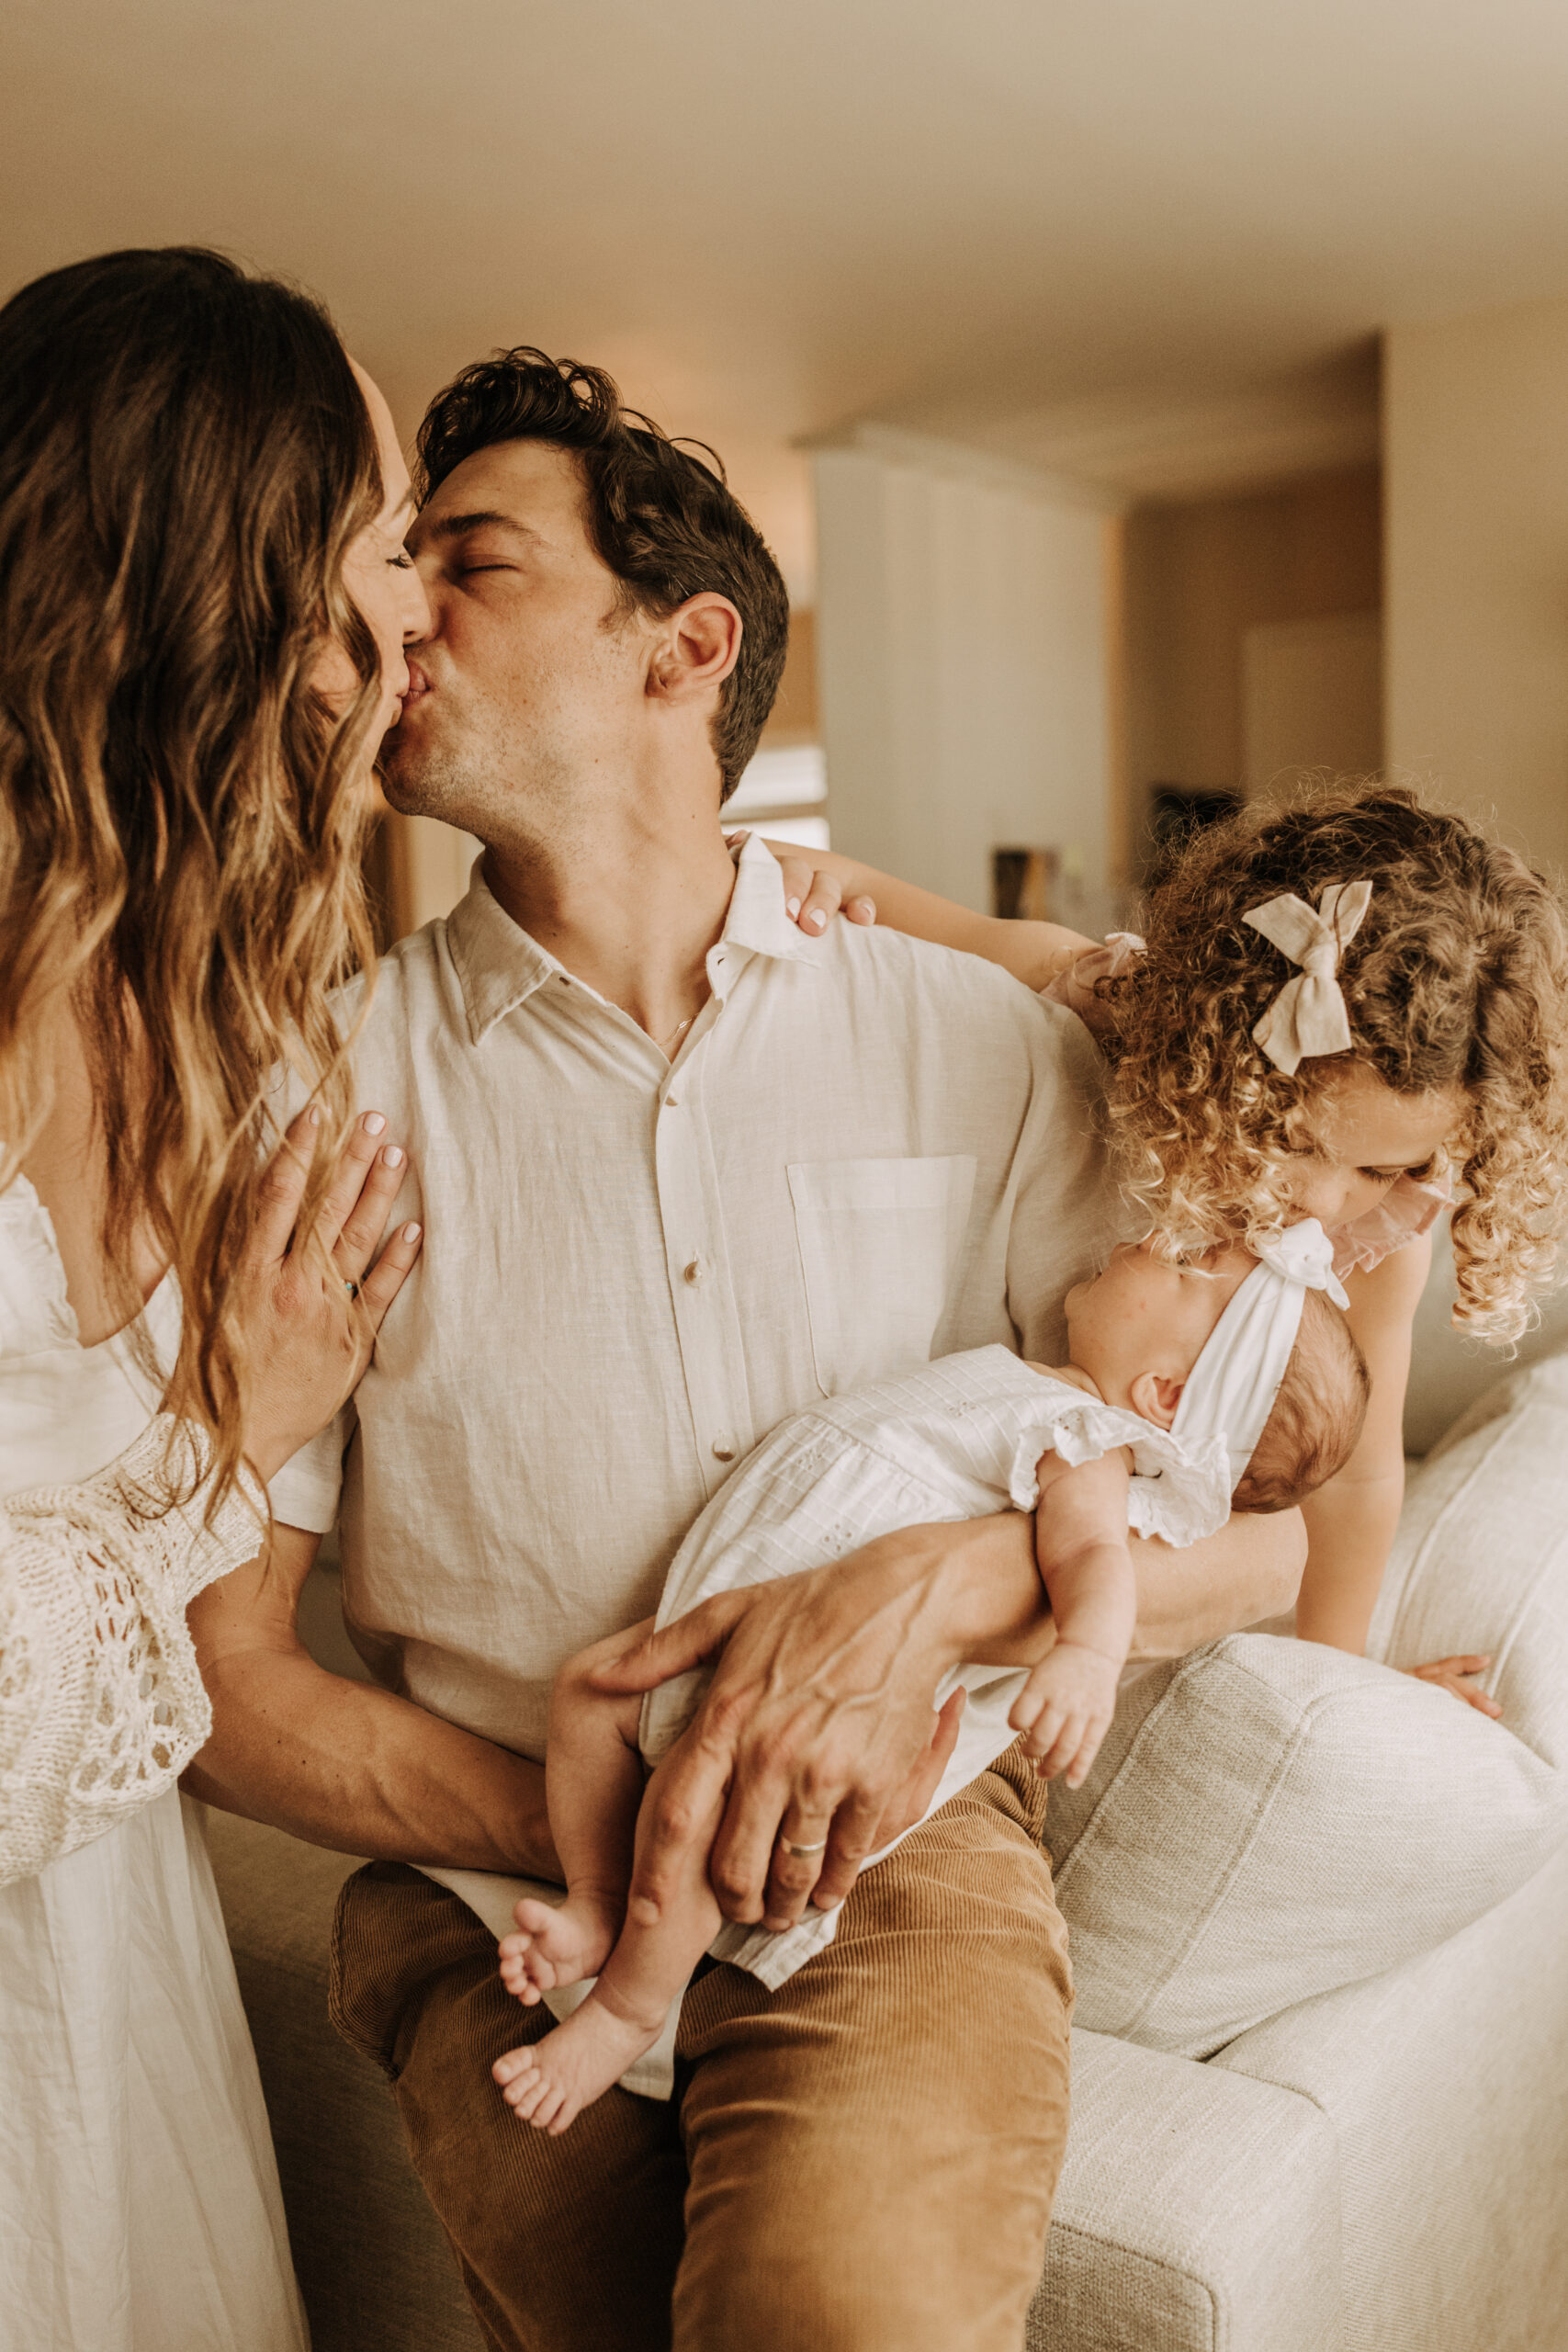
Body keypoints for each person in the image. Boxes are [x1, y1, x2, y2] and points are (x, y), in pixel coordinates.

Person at [187, 346, 1305, 2352]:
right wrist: (620, 1821)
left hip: (895, 1856)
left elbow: (1250, 1536)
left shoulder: (981, 1044)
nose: (397, 608)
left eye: (474, 558)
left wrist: (952, 1583)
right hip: (482, 1896)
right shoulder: (313, 1097)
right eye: (396, 557)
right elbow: (222, 1676)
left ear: (682, 644)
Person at [0, 245, 434, 2350]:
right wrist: (226, 1444)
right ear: (221, 572)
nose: (413, 611)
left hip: (103, 1964)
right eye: (381, 544)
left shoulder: (250, 1037)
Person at [493, 1221, 1368, 2134]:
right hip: (751, 1610)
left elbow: (1093, 1557)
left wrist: (1086, 1654)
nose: (1154, 1236)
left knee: (699, 1805)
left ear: (1164, 1391)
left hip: (808, 1671)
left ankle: (628, 2014)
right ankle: (596, 1902)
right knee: (590, 1689)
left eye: (1187, 1263)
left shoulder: (1088, 1439)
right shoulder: (1033, 1386)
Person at [779, 784, 1568, 1709]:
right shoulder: (1110, 1003)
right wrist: (813, 886)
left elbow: (1358, 1472)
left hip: (1112, 1512)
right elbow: (880, 897)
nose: (1321, 1200)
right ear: (1221, 1053)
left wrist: (1341, 1681)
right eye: (1301, 1140)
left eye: (1381, 1167)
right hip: (949, 1443)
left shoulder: (1390, 1223)